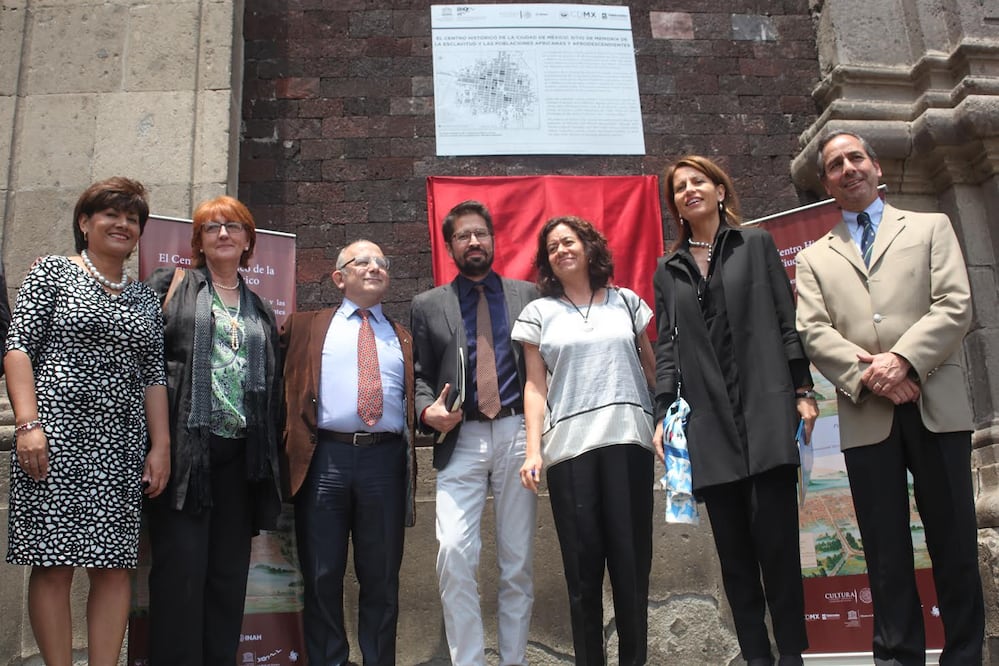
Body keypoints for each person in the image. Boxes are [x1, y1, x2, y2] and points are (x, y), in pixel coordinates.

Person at [795, 130, 984, 664]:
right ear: (827, 183)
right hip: (866, 412)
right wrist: (874, 376)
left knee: (953, 541)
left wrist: (901, 361)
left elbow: (954, 306)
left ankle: (964, 654)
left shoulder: (930, 227)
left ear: (876, 168)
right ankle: (898, 656)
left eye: (856, 158)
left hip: (936, 404)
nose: (848, 168)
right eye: (835, 164)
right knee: (884, 549)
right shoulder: (814, 258)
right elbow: (814, 331)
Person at [652, 155, 816, 666]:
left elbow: (784, 319)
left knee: (780, 554)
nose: (689, 191)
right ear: (675, 204)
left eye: (698, 182)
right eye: (679, 188)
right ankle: (756, 657)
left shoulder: (757, 243)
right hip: (709, 424)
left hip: (766, 412)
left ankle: (792, 656)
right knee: (737, 562)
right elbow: (668, 347)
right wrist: (663, 411)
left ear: (720, 190)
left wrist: (803, 389)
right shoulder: (668, 268)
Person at [4, 177, 170, 666]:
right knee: (53, 565)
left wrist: (159, 447)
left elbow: (154, 375)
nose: (123, 224)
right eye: (111, 215)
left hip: (119, 444)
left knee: (113, 569)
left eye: (132, 218)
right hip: (52, 439)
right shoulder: (52, 273)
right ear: (85, 222)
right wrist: (27, 424)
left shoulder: (142, 297)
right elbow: (18, 350)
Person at [512, 215, 656, 666]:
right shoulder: (538, 313)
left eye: (568, 241)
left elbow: (652, 369)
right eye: (552, 247)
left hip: (629, 443)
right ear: (546, 262)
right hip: (570, 452)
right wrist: (532, 450)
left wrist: (665, 425)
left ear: (590, 247)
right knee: (582, 571)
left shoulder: (626, 303)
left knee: (632, 569)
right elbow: (534, 387)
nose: (561, 251)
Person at [144, 196, 282, 665]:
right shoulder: (172, 285)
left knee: (227, 578)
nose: (223, 234)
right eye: (211, 228)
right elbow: (136, 350)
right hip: (185, 456)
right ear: (198, 242)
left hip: (241, 460)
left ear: (248, 242)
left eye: (234, 227)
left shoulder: (259, 308)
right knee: (181, 574)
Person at [410, 200, 538, 666]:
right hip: (458, 438)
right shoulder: (428, 304)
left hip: (516, 432)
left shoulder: (528, 295)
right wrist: (428, 412)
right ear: (450, 247)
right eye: (463, 236)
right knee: (453, 552)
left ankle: (514, 660)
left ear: (494, 239)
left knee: (518, 561)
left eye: (481, 233)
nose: (474, 242)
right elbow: (420, 375)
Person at [282, 239, 416, 666]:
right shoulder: (305, 327)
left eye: (382, 261)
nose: (375, 267)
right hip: (325, 460)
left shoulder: (402, 337)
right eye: (363, 262)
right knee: (322, 574)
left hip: (385, 461)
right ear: (339, 277)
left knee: (381, 577)